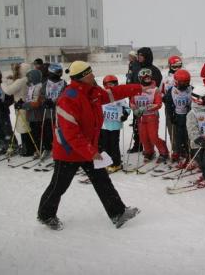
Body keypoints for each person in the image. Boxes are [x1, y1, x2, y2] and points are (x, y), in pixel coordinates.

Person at [37, 61, 142, 230]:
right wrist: (91, 151)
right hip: (69, 151)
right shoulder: (68, 99)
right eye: (90, 73)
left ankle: (118, 212)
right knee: (59, 186)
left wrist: (138, 88)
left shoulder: (91, 92)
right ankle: (45, 215)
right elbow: (71, 133)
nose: (93, 75)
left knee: (102, 180)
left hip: (88, 148)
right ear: (82, 77)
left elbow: (112, 93)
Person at [130, 68, 169, 164]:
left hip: (152, 116)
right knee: (143, 137)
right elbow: (132, 102)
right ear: (140, 79)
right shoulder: (136, 89)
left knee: (153, 136)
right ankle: (149, 152)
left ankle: (164, 152)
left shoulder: (155, 90)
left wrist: (146, 108)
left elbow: (158, 104)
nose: (147, 79)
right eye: (145, 78)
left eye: (149, 78)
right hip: (141, 117)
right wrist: (135, 109)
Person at [128, 47, 162, 153]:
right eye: (138, 55)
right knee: (137, 126)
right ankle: (138, 144)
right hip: (137, 101)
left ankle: (151, 148)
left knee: (150, 131)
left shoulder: (154, 70)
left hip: (149, 104)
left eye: (141, 55)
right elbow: (130, 81)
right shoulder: (135, 66)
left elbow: (155, 86)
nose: (138, 57)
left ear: (146, 56)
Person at [186, 85, 205, 187]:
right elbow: (191, 128)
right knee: (200, 161)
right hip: (198, 143)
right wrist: (197, 138)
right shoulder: (193, 113)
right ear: (197, 99)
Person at [99, 75, 130, 173]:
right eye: (108, 84)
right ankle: (106, 162)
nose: (111, 86)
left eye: (113, 84)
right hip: (104, 125)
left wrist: (125, 115)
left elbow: (127, 108)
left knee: (113, 144)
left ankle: (116, 163)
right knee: (104, 144)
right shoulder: (102, 95)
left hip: (115, 125)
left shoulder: (119, 97)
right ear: (104, 85)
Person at [163, 69, 192, 167]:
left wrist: (190, 110)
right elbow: (168, 104)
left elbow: (196, 102)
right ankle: (179, 152)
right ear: (176, 82)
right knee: (178, 136)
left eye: (186, 82)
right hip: (178, 116)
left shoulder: (191, 89)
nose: (184, 85)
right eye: (181, 82)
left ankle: (189, 153)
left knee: (188, 135)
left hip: (188, 116)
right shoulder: (172, 91)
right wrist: (171, 116)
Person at [2, 63, 31, 156]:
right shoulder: (28, 79)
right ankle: (29, 147)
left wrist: (3, 83)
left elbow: (9, 91)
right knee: (28, 127)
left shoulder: (21, 81)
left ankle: (27, 149)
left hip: (20, 106)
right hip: (27, 105)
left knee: (23, 128)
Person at [39, 64, 67, 159]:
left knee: (58, 131)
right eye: (56, 72)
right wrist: (45, 101)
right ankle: (48, 148)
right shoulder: (45, 83)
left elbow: (65, 95)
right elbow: (42, 95)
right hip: (47, 112)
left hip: (58, 112)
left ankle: (59, 148)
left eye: (59, 72)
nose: (58, 74)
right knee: (47, 130)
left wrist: (55, 101)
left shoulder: (63, 83)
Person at [160, 55, 183, 153]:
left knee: (183, 128)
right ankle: (176, 150)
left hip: (182, 106)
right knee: (172, 128)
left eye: (179, 66)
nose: (177, 69)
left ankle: (184, 149)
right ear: (170, 66)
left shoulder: (184, 75)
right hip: (170, 107)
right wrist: (163, 98)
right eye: (174, 66)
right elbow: (161, 91)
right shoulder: (166, 79)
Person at [20, 69, 44, 158]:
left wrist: (24, 105)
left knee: (37, 133)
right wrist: (22, 103)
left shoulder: (39, 87)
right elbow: (29, 99)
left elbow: (37, 102)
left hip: (37, 114)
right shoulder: (31, 86)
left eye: (29, 77)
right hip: (31, 114)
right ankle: (36, 148)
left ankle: (40, 149)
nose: (28, 79)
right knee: (33, 132)